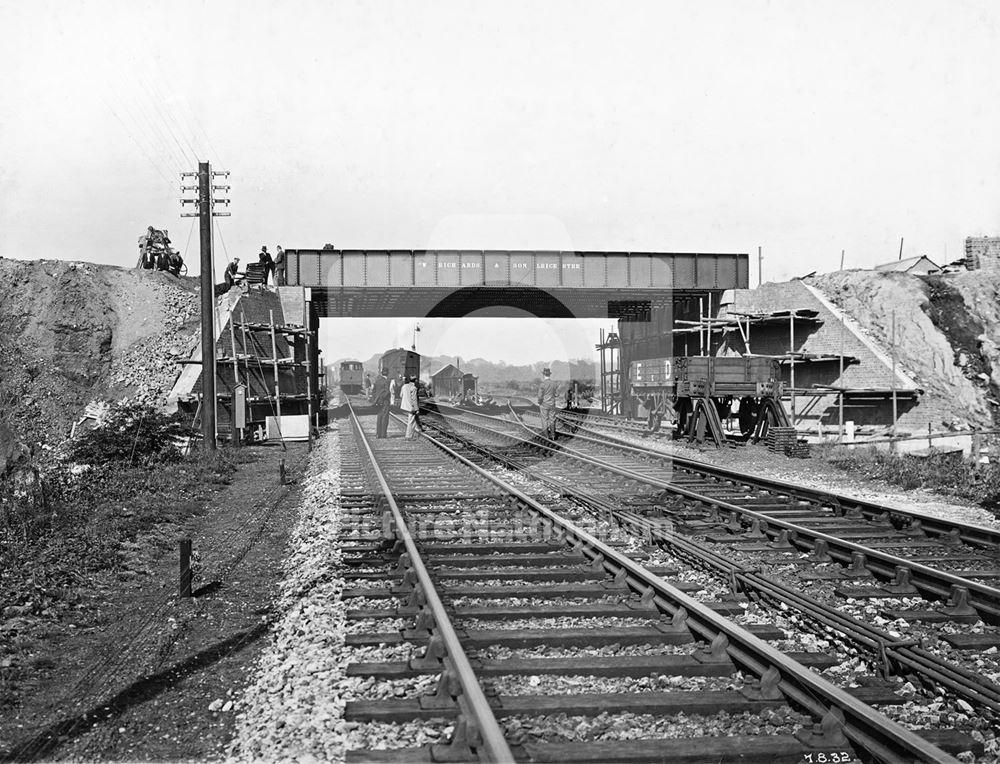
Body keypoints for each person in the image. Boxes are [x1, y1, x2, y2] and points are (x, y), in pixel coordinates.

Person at [537, 367, 558, 439]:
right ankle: (553, 435)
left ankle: (546, 436)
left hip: (544, 404)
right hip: (552, 404)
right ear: (550, 375)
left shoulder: (542, 384)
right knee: (552, 419)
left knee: (544, 419)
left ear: (543, 375)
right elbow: (557, 394)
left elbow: (540, 396)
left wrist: (539, 402)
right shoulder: (554, 384)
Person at [400, 375, 421, 439]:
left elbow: (401, 395)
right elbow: (414, 399)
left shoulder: (404, 386)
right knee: (411, 421)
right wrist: (417, 409)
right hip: (411, 407)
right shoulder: (414, 388)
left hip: (404, 406)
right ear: (415, 380)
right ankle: (408, 436)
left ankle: (418, 429)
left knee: (414, 419)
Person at [372, 369, 390, 438]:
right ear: (387, 373)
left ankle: (378, 434)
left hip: (378, 401)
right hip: (385, 401)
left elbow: (373, 391)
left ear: (382, 374)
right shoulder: (387, 381)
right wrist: (382, 398)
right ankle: (383, 434)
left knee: (379, 416)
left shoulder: (377, 381)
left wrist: (375, 400)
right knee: (385, 417)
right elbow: (387, 391)